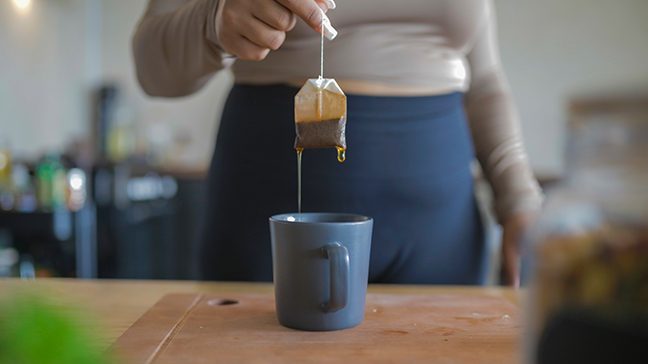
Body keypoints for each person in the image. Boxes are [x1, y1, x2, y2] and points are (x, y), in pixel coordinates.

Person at [133, 0, 543, 286]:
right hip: (271, 211)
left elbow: (485, 82)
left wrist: (520, 200)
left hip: (443, 229)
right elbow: (151, 67)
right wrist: (213, 20)